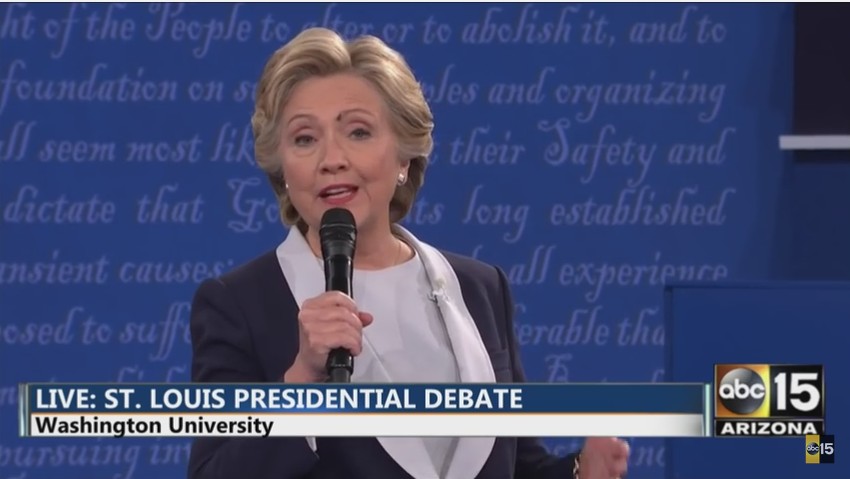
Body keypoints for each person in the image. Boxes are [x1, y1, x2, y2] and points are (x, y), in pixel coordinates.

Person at [187, 27, 630, 479]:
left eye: (358, 132)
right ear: (282, 168)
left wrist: (582, 473)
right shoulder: (240, 305)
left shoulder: (480, 288)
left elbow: (516, 465)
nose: (332, 159)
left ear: (403, 156)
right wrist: (301, 384)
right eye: (305, 139)